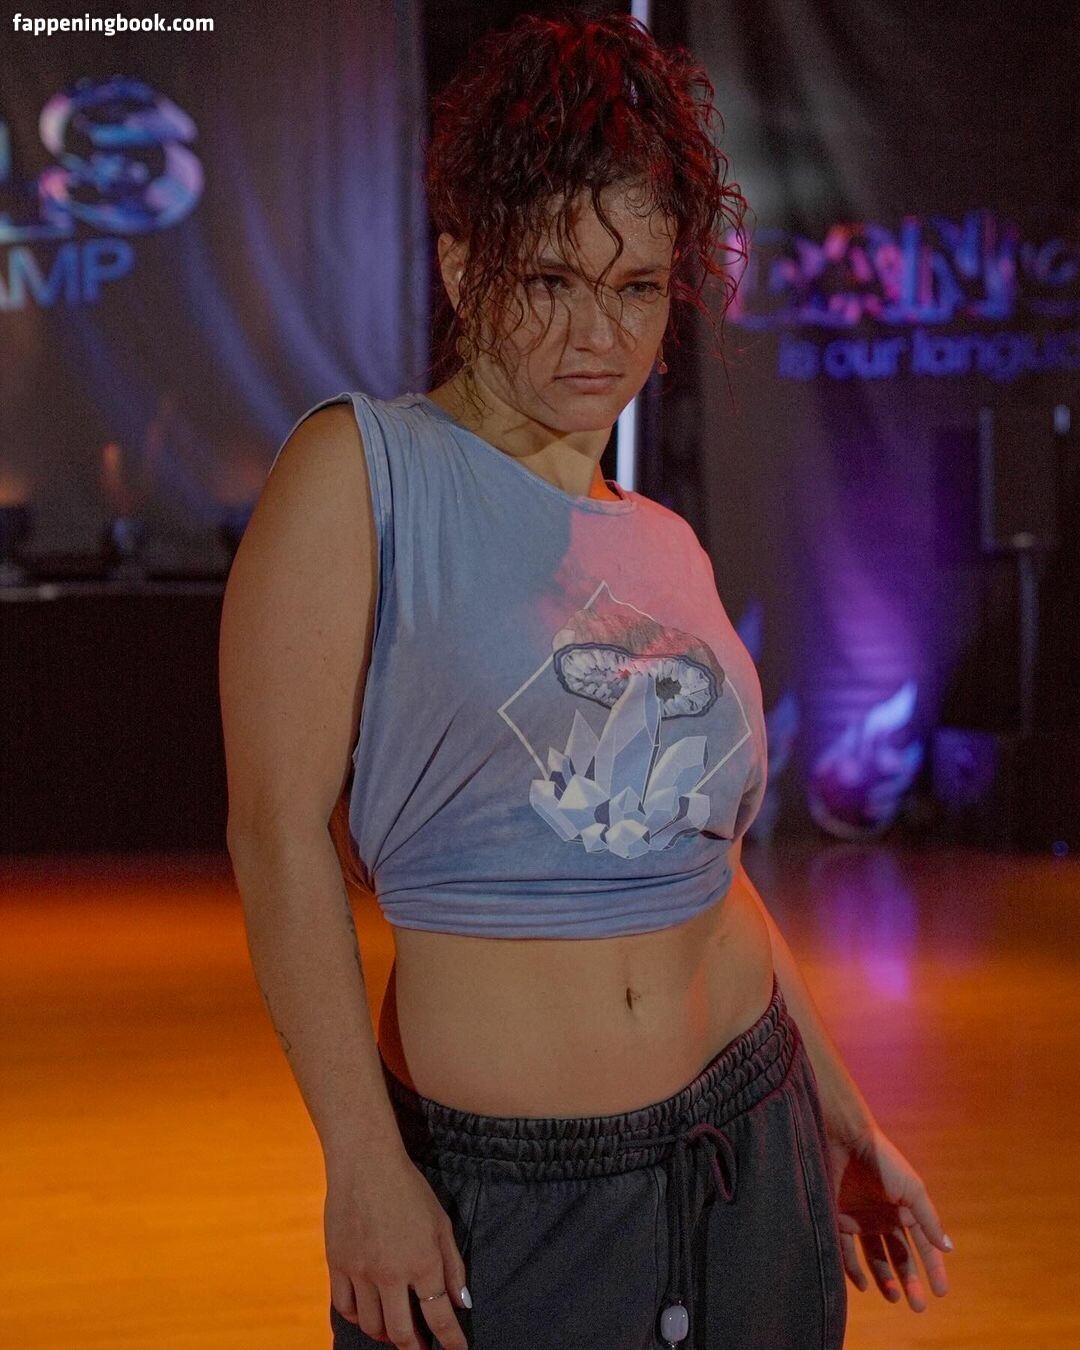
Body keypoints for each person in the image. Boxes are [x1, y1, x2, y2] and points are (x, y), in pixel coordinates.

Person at [219, 11, 953, 1349]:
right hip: (512, 1198)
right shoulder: (363, 471)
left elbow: (714, 877)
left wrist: (842, 1116)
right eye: (550, 278)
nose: (596, 334)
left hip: (752, 1149)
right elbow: (275, 838)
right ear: (461, 265)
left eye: (638, 286)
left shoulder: (663, 539)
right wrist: (363, 1162)